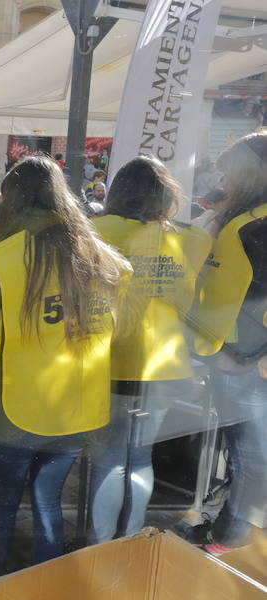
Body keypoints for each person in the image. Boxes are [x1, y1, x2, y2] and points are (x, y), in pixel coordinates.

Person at [0, 156, 130, 583]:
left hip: (20, 404)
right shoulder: (97, 252)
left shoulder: (9, 256)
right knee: (49, 503)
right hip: (78, 406)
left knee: (3, 503)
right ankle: (49, 586)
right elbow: (115, 323)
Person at [88, 155, 212, 545]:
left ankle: (101, 544)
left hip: (114, 362)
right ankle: (132, 538)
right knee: (140, 456)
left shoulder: (95, 231)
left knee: (110, 458)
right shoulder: (192, 239)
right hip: (167, 368)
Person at [189, 131, 267, 556]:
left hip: (249, 362)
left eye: (231, 175)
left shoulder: (259, 223)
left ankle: (233, 538)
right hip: (231, 355)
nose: (225, 183)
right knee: (245, 453)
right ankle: (231, 528)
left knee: (252, 456)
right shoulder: (245, 217)